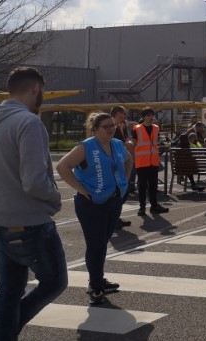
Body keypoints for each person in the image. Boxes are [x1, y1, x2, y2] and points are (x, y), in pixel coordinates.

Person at [0, 67, 68, 340]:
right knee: (54, 283)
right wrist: (56, 198)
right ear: (36, 88)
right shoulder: (29, 123)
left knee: (9, 291)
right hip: (31, 224)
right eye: (44, 92)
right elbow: (35, 182)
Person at [56, 112, 133, 305]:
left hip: (113, 200)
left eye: (112, 125)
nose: (110, 129)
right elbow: (63, 166)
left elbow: (129, 159)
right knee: (96, 244)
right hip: (91, 202)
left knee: (102, 243)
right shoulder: (86, 146)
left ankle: (97, 279)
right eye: (105, 126)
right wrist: (81, 189)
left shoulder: (116, 144)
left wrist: (124, 181)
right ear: (95, 129)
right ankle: (96, 286)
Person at [133, 107, 169, 217]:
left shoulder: (156, 128)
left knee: (153, 186)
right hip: (142, 162)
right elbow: (134, 144)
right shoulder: (137, 129)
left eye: (152, 115)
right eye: (148, 115)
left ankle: (154, 206)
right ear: (143, 117)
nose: (151, 117)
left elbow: (156, 143)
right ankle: (142, 207)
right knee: (142, 186)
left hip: (153, 162)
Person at [111, 105, 134, 229]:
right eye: (124, 113)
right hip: (114, 164)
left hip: (123, 161)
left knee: (124, 190)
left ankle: (115, 217)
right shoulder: (110, 126)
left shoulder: (121, 126)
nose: (126, 116)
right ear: (118, 113)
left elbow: (124, 140)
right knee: (117, 192)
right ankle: (113, 218)